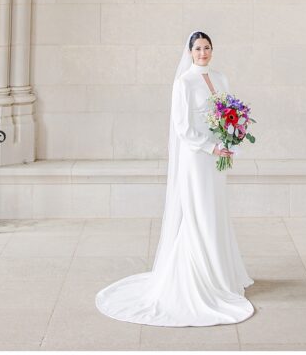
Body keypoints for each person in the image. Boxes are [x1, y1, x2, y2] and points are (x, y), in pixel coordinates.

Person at [95, 30, 255, 326]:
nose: (203, 53)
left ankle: (222, 275)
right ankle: (199, 278)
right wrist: (211, 146)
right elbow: (182, 127)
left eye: (207, 47)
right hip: (197, 158)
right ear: (189, 52)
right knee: (200, 213)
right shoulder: (184, 82)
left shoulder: (220, 78)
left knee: (216, 211)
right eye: (197, 48)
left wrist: (230, 139)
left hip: (218, 155)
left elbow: (228, 113)